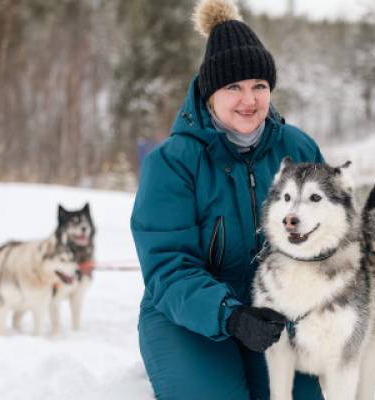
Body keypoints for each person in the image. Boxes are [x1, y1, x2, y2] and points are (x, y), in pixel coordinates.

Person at [130, 0, 324, 398]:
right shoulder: (172, 164)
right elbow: (169, 267)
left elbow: (332, 234)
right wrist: (230, 315)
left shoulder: (298, 147)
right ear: (209, 93)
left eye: (259, 86)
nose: (248, 100)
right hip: (186, 314)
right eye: (233, 87)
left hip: (277, 309)